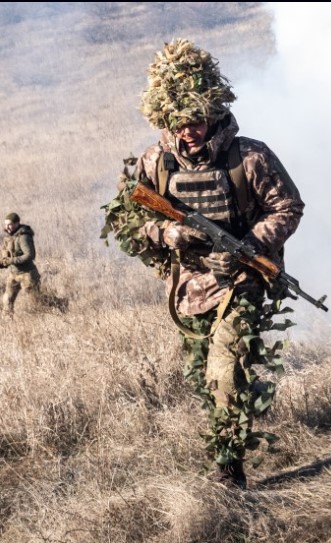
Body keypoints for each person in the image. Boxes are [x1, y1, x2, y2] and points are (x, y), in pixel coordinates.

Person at [113, 39, 305, 487]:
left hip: (241, 281)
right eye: (178, 123)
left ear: (213, 111)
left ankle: (229, 468)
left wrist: (248, 245)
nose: (188, 132)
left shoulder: (249, 157)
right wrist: (166, 233)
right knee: (206, 375)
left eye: (195, 120)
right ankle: (230, 433)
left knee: (225, 371)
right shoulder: (153, 164)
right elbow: (124, 220)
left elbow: (288, 207)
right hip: (188, 288)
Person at [0, 212, 41, 316]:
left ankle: (60, 304)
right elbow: (7, 258)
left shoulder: (23, 237)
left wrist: (12, 261)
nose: (7, 227)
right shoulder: (9, 238)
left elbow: (30, 255)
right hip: (13, 274)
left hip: (28, 274)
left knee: (36, 301)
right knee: (7, 299)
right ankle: (7, 324)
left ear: (17, 223)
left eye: (9, 224)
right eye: (5, 224)